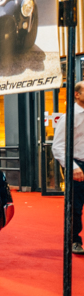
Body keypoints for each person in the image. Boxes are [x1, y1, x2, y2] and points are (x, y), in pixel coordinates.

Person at [52, 81, 84, 255]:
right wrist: (72, 167)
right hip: (77, 164)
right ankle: (74, 241)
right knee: (76, 207)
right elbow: (57, 146)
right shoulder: (69, 116)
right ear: (77, 95)